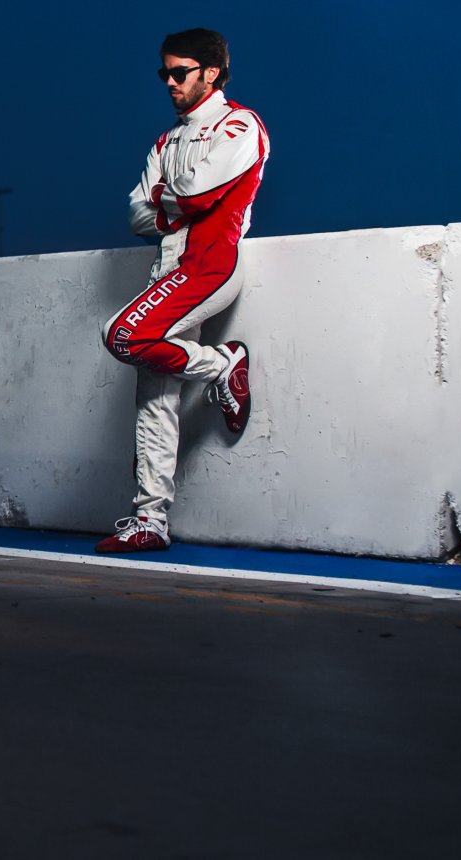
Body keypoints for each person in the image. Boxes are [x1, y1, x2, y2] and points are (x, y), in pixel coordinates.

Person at [96, 28, 269, 554]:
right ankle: (150, 520)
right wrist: (170, 201)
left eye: (179, 72)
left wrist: (165, 198)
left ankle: (221, 365)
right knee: (154, 397)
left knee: (122, 335)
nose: (169, 82)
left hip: (209, 265)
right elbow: (136, 214)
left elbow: (198, 192)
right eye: (164, 73)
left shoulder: (239, 124)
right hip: (167, 270)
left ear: (210, 73)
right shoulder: (165, 142)